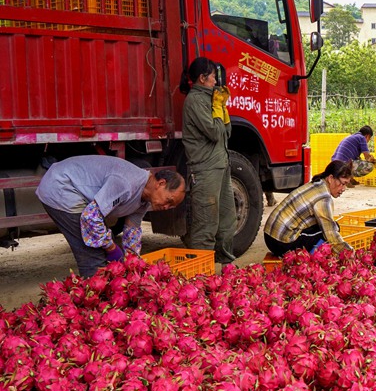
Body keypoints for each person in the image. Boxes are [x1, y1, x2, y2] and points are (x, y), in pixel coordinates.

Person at [35, 155, 186, 277]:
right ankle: (93, 305)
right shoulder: (126, 183)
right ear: (161, 183)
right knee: (94, 256)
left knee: (101, 247)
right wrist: (111, 247)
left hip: (73, 191)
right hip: (61, 187)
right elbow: (91, 217)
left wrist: (132, 263)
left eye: (171, 206)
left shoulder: (145, 199)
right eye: (169, 200)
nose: (166, 207)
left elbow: (132, 230)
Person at [180, 56, 237, 264]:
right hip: (205, 170)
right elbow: (214, 132)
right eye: (213, 76)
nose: (216, 81)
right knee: (206, 225)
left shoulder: (211, 98)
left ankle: (225, 267)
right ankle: (199, 274)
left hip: (220, 165)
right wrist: (217, 108)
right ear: (203, 78)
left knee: (227, 221)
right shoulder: (195, 100)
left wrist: (222, 108)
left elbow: (226, 132)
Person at [264, 160, 355, 256]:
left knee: (329, 226)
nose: (344, 189)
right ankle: (311, 259)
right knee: (329, 232)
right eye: (343, 183)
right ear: (331, 178)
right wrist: (349, 252)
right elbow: (330, 233)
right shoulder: (323, 197)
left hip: (270, 235)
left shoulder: (317, 184)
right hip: (282, 242)